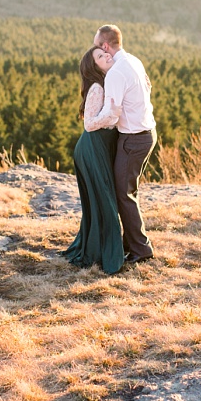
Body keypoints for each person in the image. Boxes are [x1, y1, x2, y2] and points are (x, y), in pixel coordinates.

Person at [93, 24, 157, 264]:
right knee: (129, 192)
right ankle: (133, 244)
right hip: (147, 132)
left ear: (106, 47)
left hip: (133, 138)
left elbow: (111, 114)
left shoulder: (116, 73)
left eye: (97, 47)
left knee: (123, 194)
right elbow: (148, 87)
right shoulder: (134, 60)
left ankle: (142, 249)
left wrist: (91, 123)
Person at [62, 46, 125, 274]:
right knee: (104, 201)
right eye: (100, 56)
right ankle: (105, 256)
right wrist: (112, 114)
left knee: (101, 201)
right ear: (93, 66)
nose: (106, 56)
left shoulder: (109, 81)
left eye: (105, 53)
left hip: (99, 147)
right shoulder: (97, 87)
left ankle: (97, 250)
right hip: (92, 147)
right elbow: (89, 124)